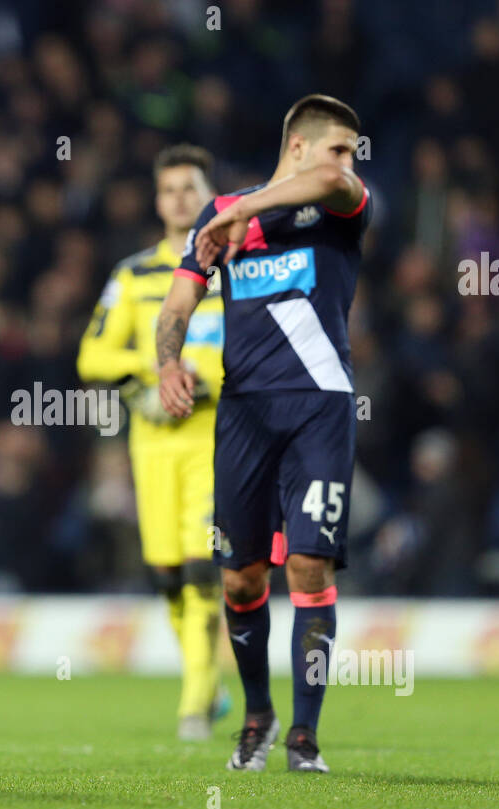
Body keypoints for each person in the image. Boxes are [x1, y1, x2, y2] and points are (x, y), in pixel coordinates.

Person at [157, 94, 370, 773]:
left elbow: (336, 186)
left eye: (354, 153)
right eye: (338, 148)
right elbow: (181, 297)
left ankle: (305, 735)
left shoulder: (335, 202)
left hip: (320, 407)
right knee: (243, 580)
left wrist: (238, 214)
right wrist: (168, 361)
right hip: (244, 413)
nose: (348, 164)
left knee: (309, 565)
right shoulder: (217, 216)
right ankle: (258, 715)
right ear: (298, 143)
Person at [76, 144, 230, 741]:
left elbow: (250, 348)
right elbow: (92, 354)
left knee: (201, 565)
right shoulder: (133, 275)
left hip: (213, 437)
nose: (180, 200)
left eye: (191, 189)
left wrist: (204, 376)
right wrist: (157, 368)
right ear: (158, 200)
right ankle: (209, 679)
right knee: (167, 571)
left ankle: (196, 699)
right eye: (169, 190)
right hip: (152, 442)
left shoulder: (233, 268)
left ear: (209, 195)